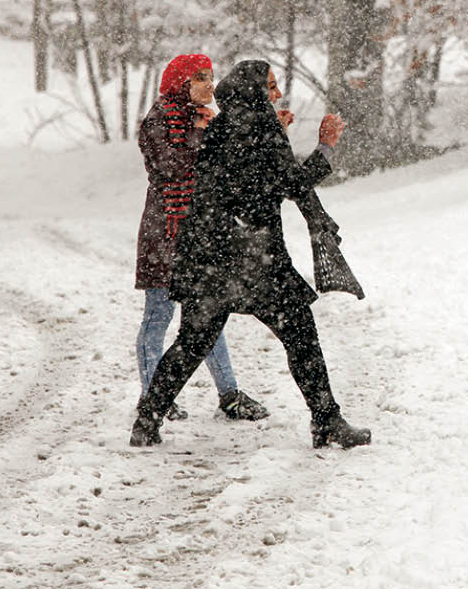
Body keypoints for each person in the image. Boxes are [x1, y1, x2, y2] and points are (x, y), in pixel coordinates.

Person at [130, 60, 370, 449]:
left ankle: (147, 420)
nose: (276, 95)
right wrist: (325, 144)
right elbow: (292, 183)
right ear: (255, 91)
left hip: (206, 257)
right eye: (271, 87)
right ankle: (326, 421)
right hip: (253, 260)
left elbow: (246, 178)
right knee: (302, 336)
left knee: (192, 343)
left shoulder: (222, 127)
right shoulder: (260, 127)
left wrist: (279, 134)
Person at [134, 54, 268, 422]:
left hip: (197, 232)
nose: (210, 84)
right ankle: (152, 398)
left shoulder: (200, 120)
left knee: (205, 315)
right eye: (201, 78)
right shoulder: (160, 119)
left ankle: (229, 394)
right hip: (165, 233)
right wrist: (205, 134)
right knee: (158, 315)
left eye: (211, 77)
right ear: (181, 83)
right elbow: (171, 167)